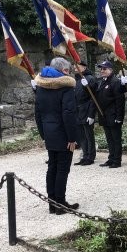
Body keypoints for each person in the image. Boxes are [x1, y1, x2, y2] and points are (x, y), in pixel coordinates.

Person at [34, 57, 80, 214]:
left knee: (52, 167)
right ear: (63, 70)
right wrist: (72, 138)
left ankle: (52, 203)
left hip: (49, 133)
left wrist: (43, 134)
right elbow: (69, 114)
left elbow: (38, 114)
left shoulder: (41, 87)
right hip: (63, 134)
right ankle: (60, 204)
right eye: (67, 70)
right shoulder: (65, 88)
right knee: (62, 169)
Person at [95, 60, 124, 168]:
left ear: (110, 70)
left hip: (113, 115)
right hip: (104, 115)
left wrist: (119, 117)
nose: (102, 71)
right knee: (109, 139)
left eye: (104, 69)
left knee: (116, 139)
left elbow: (119, 100)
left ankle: (117, 160)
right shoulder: (102, 81)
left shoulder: (115, 81)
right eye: (101, 69)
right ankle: (111, 158)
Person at [74, 60, 97, 166]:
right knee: (81, 136)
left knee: (89, 135)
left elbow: (93, 98)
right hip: (78, 111)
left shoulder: (90, 79)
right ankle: (85, 155)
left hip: (87, 110)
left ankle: (90, 156)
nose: (75, 68)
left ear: (83, 67)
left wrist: (91, 114)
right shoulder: (77, 79)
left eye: (77, 66)